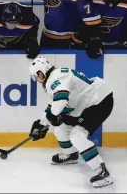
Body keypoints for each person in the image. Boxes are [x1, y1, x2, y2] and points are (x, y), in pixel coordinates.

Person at [28, 56, 114, 188]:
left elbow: (60, 101)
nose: (39, 81)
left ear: (42, 72)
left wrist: (52, 118)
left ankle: (101, 171)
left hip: (99, 101)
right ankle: (71, 154)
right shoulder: (56, 76)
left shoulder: (55, 78)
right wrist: (41, 123)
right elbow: (54, 105)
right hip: (87, 103)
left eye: (37, 76)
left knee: (76, 135)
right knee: (61, 130)